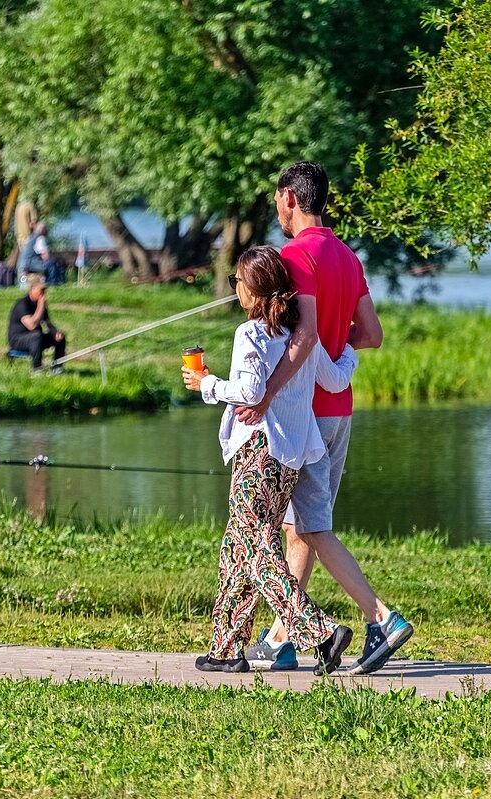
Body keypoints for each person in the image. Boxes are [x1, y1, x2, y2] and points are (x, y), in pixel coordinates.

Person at [235, 161, 412, 675]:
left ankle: (381, 617)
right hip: (341, 411)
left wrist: (265, 395)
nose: (276, 211)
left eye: (276, 201)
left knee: (309, 527)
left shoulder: (295, 256)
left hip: (303, 416)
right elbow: (371, 334)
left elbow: (303, 334)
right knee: (302, 526)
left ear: (290, 198)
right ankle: (281, 639)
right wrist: (337, 349)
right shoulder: (347, 257)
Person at [183, 246, 360, 675]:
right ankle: (227, 647)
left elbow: (247, 393)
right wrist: (352, 347)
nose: (235, 289)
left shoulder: (252, 335)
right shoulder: (300, 335)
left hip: (257, 453)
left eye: (237, 282)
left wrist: (206, 383)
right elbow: (335, 379)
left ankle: (318, 632)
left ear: (255, 290)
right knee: (237, 547)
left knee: (256, 548)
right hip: (289, 458)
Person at [7, 275, 67, 373]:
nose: (43, 294)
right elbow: (31, 325)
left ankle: (57, 367)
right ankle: (37, 369)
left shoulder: (40, 305)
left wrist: (55, 333)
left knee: (59, 337)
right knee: (36, 336)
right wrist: (40, 306)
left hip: (35, 339)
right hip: (18, 340)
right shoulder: (22, 304)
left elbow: (48, 323)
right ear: (32, 289)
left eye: (44, 291)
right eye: (41, 290)